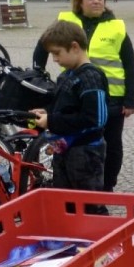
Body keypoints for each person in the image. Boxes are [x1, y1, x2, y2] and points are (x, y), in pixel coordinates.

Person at [33, 0, 134, 192]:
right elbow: (43, 47)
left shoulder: (116, 26)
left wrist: (130, 99)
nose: (97, 1)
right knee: (77, 141)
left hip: (113, 97)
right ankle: (78, 183)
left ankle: (107, 185)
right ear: (79, 1)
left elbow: (129, 63)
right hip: (76, 93)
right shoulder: (66, 22)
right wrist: (40, 77)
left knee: (111, 145)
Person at [30, 20, 108, 197]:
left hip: (86, 152)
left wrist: (52, 120)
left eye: (57, 53)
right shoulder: (66, 75)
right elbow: (65, 107)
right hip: (64, 148)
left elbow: (95, 120)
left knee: (89, 203)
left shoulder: (91, 78)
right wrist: (48, 113)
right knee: (65, 200)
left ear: (74, 47)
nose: (54, 59)